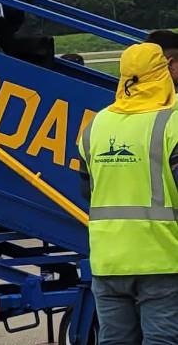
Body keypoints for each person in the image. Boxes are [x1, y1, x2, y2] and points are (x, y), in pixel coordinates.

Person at [77, 42, 178, 345]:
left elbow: (87, 190)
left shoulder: (96, 124)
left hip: (109, 261)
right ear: (162, 73)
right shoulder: (172, 121)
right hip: (161, 259)